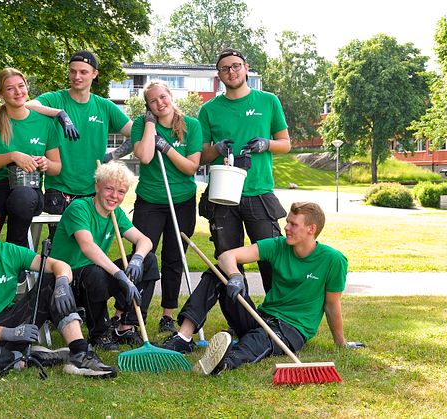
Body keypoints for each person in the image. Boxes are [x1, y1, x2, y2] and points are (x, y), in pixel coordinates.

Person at [162, 202, 364, 375]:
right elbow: (226, 257)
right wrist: (234, 277)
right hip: (261, 317)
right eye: (287, 222)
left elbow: (332, 305)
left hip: (292, 329)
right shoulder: (278, 245)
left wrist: (341, 342)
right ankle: (183, 337)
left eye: (293, 224)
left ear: (311, 229)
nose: (286, 228)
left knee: (259, 340)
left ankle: (225, 362)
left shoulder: (333, 260)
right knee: (219, 271)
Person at [0, 195, 117, 378]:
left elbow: (59, 265)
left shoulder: (11, 251)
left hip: (9, 319)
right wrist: (10, 333)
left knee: (51, 280)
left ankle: (80, 354)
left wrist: (62, 282)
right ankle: (31, 358)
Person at [197, 48, 291, 293]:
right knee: (229, 260)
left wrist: (266, 144)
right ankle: (240, 318)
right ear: (219, 75)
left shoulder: (268, 101)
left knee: (271, 257)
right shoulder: (208, 110)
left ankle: (275, 315)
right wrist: (217, 149)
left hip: (258, 190)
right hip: (223, 194)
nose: (232, 71)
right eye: (225, 68)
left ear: (246, 68)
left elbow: (286, 144)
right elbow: (201, 156)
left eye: (236, 65)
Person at [50, 161, 160, 351]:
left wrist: (137, 258)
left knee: (149, 261)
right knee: (95, 272)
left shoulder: (115, 213)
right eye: (109, 189)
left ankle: (125, 325)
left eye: (120, 192)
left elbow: (145, 241)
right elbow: (88, 247)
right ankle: (99, 334)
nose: (114, 196)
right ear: (97, 187)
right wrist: (119, 275)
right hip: (66, 282)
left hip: (93, 277)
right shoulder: (79, 208)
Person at [130, 80, 202, 335]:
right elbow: (146, 156)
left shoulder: (191, 125)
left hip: (181, 201)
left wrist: (168, 148)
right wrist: (150, 125)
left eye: (163, 97)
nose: (160, 103)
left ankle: (168, 315)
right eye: (153, 100)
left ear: (170, 96)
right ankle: (136, 314)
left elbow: (191, 167)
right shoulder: (141, 124)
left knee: (174, 258)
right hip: (150, 200)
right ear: (148, 106)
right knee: (144, 257)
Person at [26, 51, 133, 215]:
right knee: (59, 240)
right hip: (59, 189)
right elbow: (27, 106)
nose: (77, 76)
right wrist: (59, 113)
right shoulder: (56, 99)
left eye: (83, 72)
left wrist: (112, 156)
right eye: (73, 71)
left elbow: (136, 134)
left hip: (92, 189)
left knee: (87, 240)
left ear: (94, 74)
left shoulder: (104, 106)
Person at [0, 67, 62, 247]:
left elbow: (57, 166)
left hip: (29, 189)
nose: (17, 92)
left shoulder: (45, 123)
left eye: (21, 86)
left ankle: (16, 260)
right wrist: (13, 156)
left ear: (27, 87)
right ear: (0, 94)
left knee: (21, 198)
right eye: (10, 88)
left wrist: (46, 163)